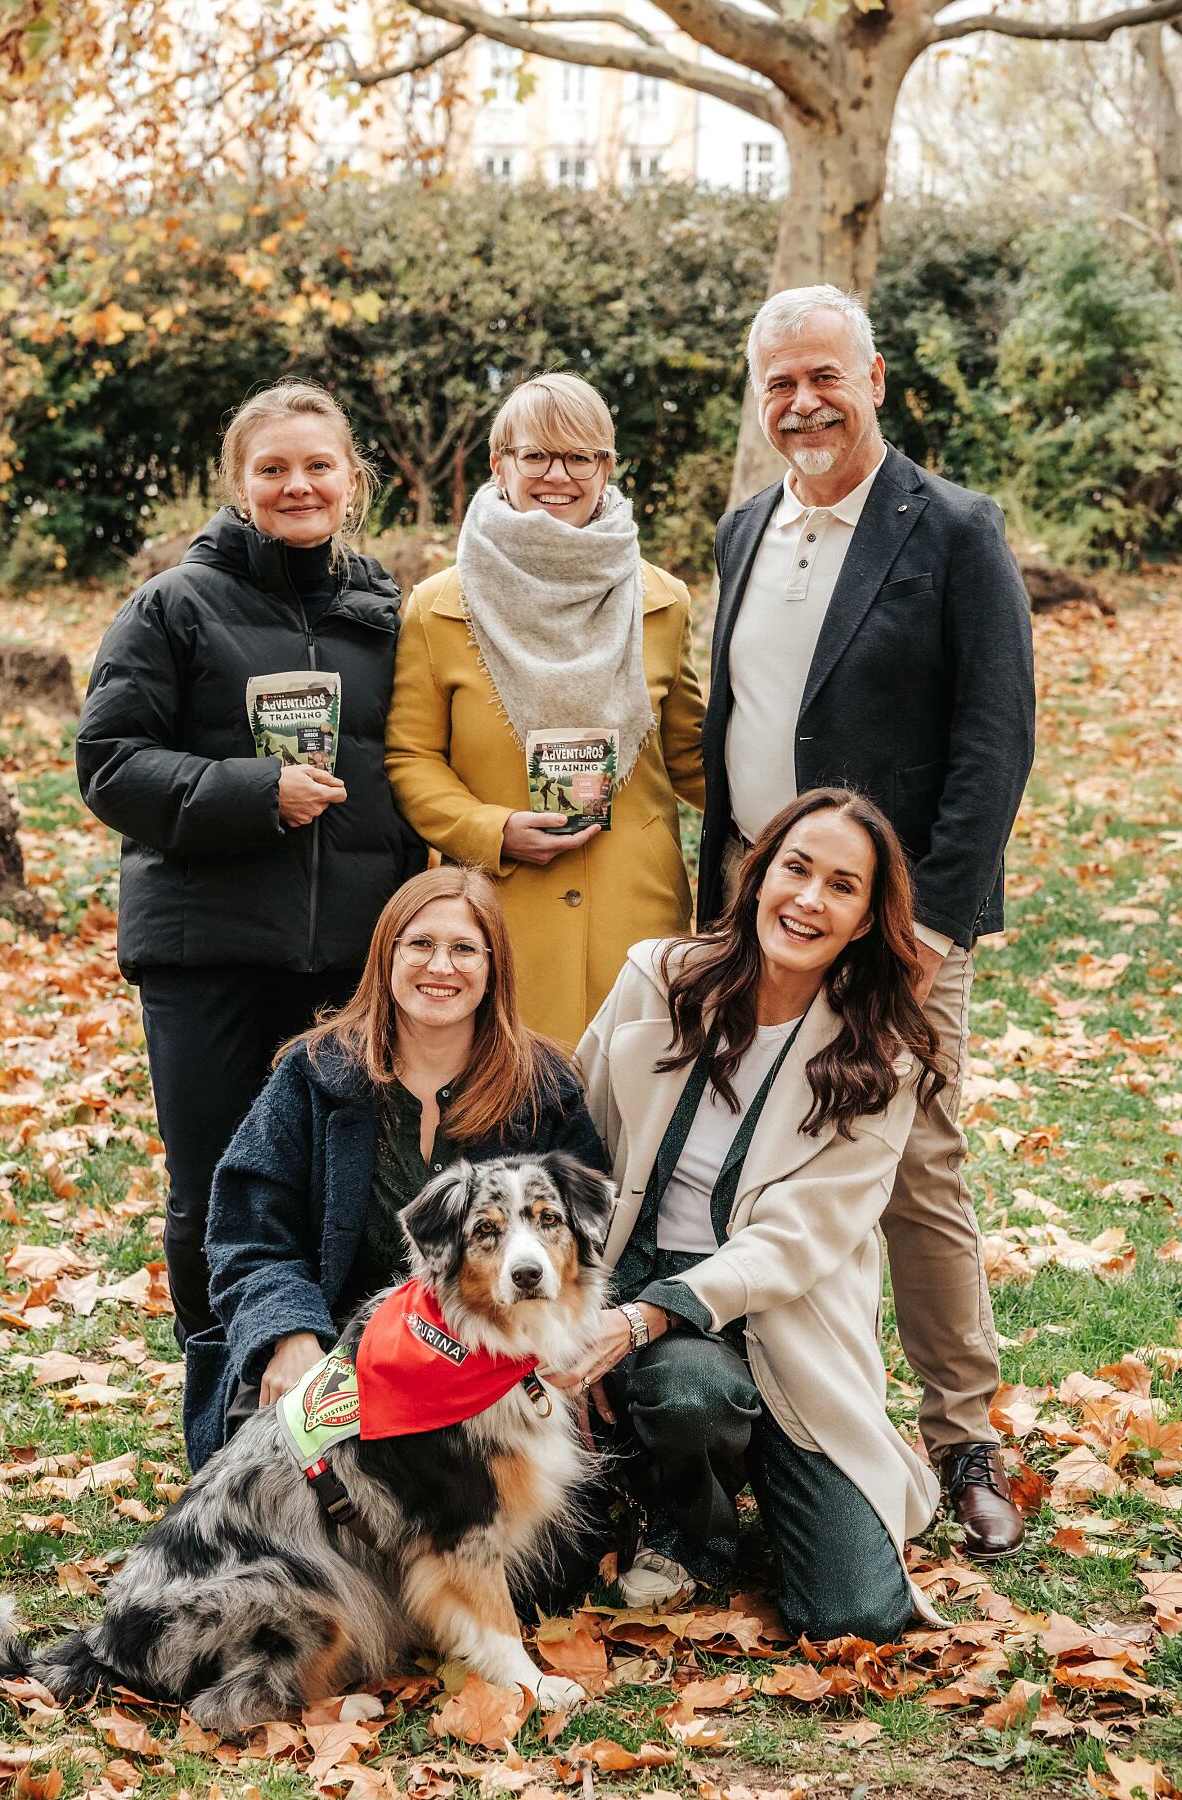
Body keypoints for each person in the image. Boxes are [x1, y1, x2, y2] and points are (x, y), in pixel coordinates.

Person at [696, 286, 1036, 1559]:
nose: (803, 403)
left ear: (876, 377)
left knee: (918, 1170)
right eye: (779, 383)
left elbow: (995, 741)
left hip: (893, 922)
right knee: (745, 1165)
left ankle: (964, 1443)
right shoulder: (742, 531)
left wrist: (935, 922)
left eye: (825, 376)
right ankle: (759, 1428)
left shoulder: (951, 529)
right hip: (755, 912)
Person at [76, 381, 422, 1345]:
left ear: (352, 480)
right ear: (238, 483)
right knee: (222, 1189)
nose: (298, 486)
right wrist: (255, 792)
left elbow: (421, 765)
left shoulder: (390, 616)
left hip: (355, 955)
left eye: (318, 466)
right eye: (273, 468)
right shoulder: (172, 606)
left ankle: (341, 1406)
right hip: (210, 952)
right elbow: (108, 765)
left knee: (347, 1188)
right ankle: (222, 1399)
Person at [564, 789, 944, 1639]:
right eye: (796, 868)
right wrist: (581, 1309)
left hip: (783, 1322)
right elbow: (574, 1143)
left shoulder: (882, 1054)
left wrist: (642, 1319)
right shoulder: (656, 977)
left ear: (864, 921)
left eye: (842, 887)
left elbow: (796, 1239)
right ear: (758, 872)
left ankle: (771, 1466)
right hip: (634, 1291)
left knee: (856, 1614)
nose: (809, 899)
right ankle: (691, 1529)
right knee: (691, 1390)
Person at [183, 866, 607, 1471]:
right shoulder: (315, 1072)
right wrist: (289, 1331)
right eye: (421, 945)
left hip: (496, 1348)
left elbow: (587, 1236)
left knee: (537, 1556)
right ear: (387, 955)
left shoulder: (541, 1085)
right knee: (276, 1494)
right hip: (338, 1341)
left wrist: (569, 1345)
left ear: (494, 969)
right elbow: (249, 1229)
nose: (441, 967)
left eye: (464, 949)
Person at [385, 372, 705, 1051]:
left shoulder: (663, 601)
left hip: (637, 910)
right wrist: (493, 831)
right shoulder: (440, 606)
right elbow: (411, 758)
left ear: (606, 468)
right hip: (496, 913)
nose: (557, 474)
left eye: (579, 456)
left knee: (633, 1129)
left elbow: (695, 758)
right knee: (510, 1132)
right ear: (501, 464)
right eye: (536, 456)